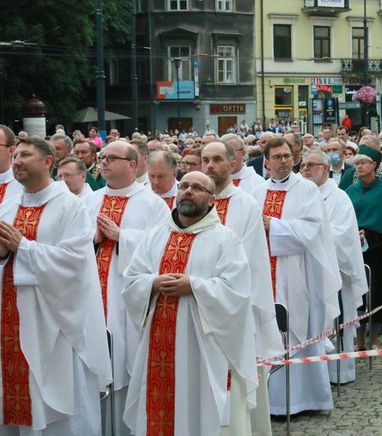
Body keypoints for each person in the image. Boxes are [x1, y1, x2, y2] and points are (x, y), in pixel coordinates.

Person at [0, 137, 112, 433]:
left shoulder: (71, 207)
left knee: (56, 415)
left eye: (25, 155)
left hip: (53, 328)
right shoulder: (7, 208)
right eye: (15, 157)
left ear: (48, 162)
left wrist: (23, 247)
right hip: (7, 324)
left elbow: (75, 263)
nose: (17, 162)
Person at [121, 171, 258, 434]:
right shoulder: (155, 235)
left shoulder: (225, 238)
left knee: (197, 406)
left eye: (197, 188)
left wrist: (194, 285)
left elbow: (237, 292)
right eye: (184, 186)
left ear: (211, 200)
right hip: (157, 340)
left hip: (202, 345)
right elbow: (131, 279)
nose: (188, 191)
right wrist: (153, 283)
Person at [84, 141, 170, 436]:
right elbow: (70, 245)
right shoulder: (89, 201)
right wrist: (93, 240)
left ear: (133, 165)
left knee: (125, 364)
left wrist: (123, 237)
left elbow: (161, 250)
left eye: (111, 158)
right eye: (102, 157)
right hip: (91, 295)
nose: (103, 163)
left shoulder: (152, 204)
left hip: (126, 300)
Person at [253, 137, 342, 415]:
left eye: (287, 156)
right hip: (262, 274)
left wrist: (274, 226)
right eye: (276, 157)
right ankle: (267, 403)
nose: (283, 161)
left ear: (295, 159)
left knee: (299, 333)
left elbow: (314, 230)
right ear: (266, 162)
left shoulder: (306, 190)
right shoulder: (255, 192)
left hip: (297, 273)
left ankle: (305, 400)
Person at [200, 140, 282, 433]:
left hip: (235, 307)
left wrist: (205, 283)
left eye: (217, 159)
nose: (210, 166)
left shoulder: (245, 203)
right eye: (205, 160)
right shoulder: (194, 202)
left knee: (236, 385)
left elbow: (247, 259)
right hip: (197, 307)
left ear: (231, 163)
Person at [302, 150, 367, 384]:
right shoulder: (302, 196)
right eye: (303, 166)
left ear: (324, 168)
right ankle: (311, 375)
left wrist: (307, 233)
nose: (306, 170)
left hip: (333, 271)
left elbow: (344, 235)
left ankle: (339, 373)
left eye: (311, 165)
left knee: (334, 319)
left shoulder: (338, 197)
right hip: (305, 271)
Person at [346, 145, 382, 351]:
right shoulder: (350, 191)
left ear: (374, 165)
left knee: (376, 294)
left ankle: (374, 338)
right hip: (353, 252)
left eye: (363, 163)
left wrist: (369, 234)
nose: (359, 167)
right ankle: (359, 338)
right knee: (357, 297)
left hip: (378, 254)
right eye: (356, 163)